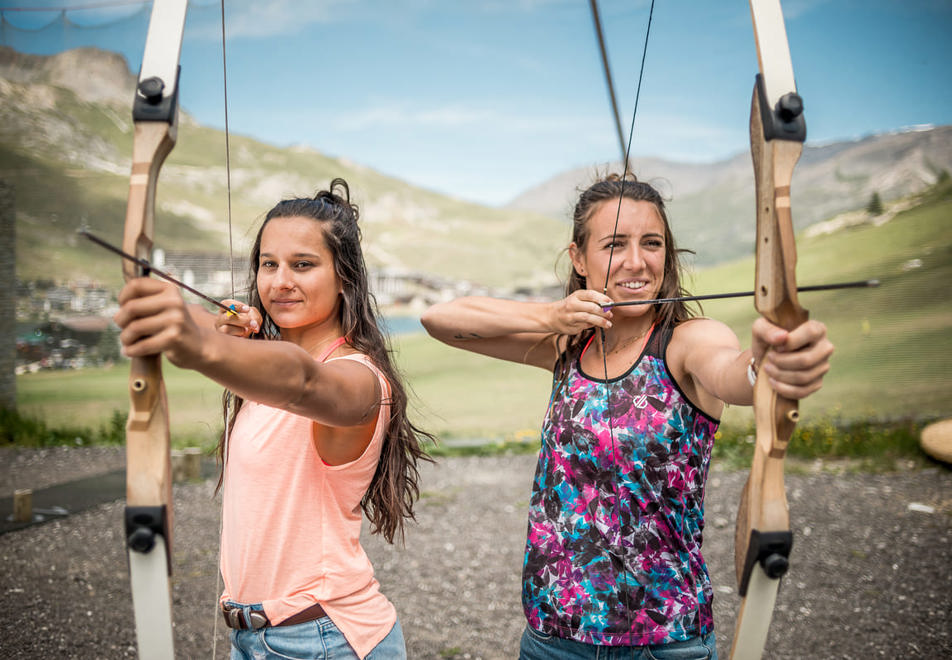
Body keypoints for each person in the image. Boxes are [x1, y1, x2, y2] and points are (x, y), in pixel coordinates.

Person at [420, 173, 834, 659]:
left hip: (662, 640)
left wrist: (773, 365)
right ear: (579, 258)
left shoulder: (686, 342)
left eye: (652, 243)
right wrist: (551, 317)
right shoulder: (569, 346)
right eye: (615, 244)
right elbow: (441, 319)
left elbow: (735, 373)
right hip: (554, 635)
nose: (636, 262)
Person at [115, 178, 431, 660]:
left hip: (324, 640)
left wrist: (202, 343)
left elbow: (303, 382)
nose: (280, 281)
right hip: (258, 637)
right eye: (269, 264)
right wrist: (230, 343)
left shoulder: (359, 379)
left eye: (303, 265)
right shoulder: (264, 366)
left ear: (344, 276)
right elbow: (274, 367)